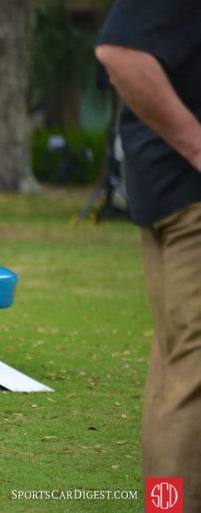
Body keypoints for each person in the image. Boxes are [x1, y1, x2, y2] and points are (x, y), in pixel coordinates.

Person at [96, 1, 201, 509]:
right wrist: (196, 145)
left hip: (174, 194)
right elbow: (120, 54)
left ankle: (165, 504)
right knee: (191, 376)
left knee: (175, 369)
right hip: (190, 197)